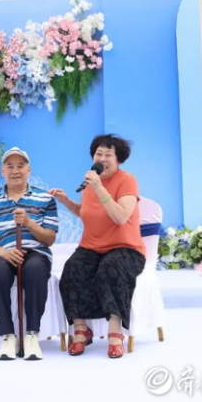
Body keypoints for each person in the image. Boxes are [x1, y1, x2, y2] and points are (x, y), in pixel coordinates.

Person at [49, 134, 146, 359]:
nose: (102, 158)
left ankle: (115, 332)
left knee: (110, 268)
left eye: (108, 155)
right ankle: (81, 330)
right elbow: (86, 213)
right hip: (92, 247)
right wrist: (66, 202)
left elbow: (121, 217)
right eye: (98, 154)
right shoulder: (91, 183)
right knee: (72, 270)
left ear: (119, 159)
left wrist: (99, 187)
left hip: (126, 248)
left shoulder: (127, 180)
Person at [0, 147, 59, 361]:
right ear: (3, 171)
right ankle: (7, 336)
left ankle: (32, 335)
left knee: (35, 268)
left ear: (28, 170)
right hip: (2, 253)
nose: (16, 171)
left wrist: (29, 223)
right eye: (10, 166)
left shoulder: (45, 199)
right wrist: (4, 254)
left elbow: (49, 238)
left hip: (35, 252)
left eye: (20, 166)